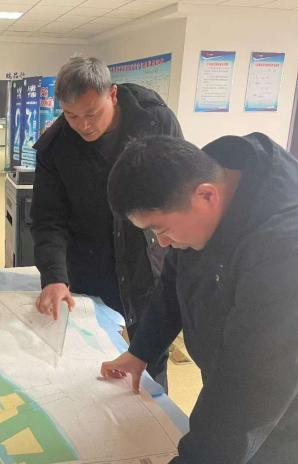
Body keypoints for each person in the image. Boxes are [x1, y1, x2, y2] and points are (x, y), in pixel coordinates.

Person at [101, 133, 298, 463]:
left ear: (206, 196)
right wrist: (140, 352)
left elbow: (252, 382)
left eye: (161, 229)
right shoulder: (201, 193)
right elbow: (173, 282)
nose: (161, 243)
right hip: (238, 385)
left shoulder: (296, 247)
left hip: (293, 416)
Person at [30, 56, 182, 388]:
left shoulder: (155, 121)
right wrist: (54, 277)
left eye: (91, 114)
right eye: (71, 116)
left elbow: (179, 188)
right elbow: (48, 220)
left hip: (147, 263)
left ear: (112, 94)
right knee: (94, 361)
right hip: (92, 268)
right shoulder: (56, 147)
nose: (83, 125)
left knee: (151, 359)